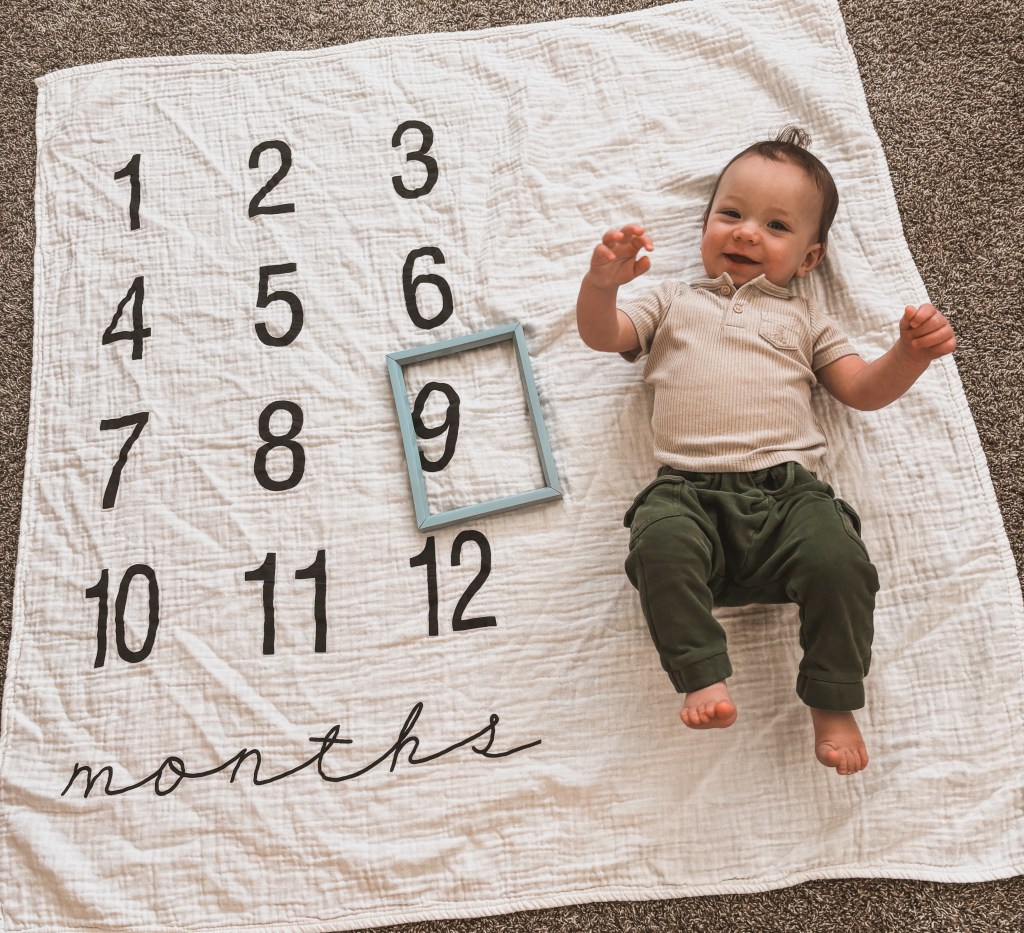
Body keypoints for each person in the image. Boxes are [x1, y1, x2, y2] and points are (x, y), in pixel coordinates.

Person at [575, 127, 956, 776]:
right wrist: (602, 285)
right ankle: (701, 673)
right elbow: (602, 334)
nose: (747, 233)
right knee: (657, 543)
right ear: (705, 225)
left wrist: (908, 355)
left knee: (842, 562)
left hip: (787, 497)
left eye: (776, 226)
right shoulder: (672, 301)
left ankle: (833, 700)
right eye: (731, 214)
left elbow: (862, 390)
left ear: (809, 259)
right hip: (688, 491)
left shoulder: (807, 320)